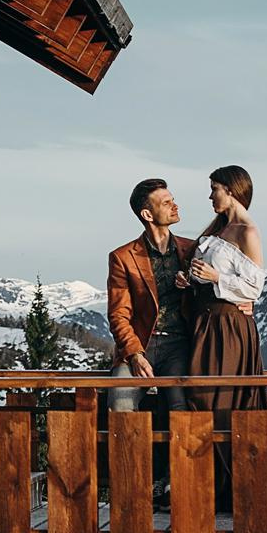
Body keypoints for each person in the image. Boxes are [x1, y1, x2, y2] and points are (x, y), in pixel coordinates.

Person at [106, 178, 198, 418]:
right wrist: (135, 355)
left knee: (182, 410)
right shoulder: (122, 257)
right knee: (120, 404)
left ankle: (178, 458)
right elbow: (118, 315)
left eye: (173, 200)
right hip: (140, 345)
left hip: (181, 346)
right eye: (166, 202)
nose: (175, 206)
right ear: (147, 214)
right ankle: (129, 457)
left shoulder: (192, 250)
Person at [185, 164, 266, 417]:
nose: (210, 196)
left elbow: (254, 287)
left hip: (228, 326)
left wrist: (216, 276)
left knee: (218, 398)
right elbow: (207, 276)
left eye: (214, 189)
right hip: (205, 322)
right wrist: (189, 279)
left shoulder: (248, 232)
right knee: (198, 395)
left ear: (230, 190)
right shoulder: (216, 230)